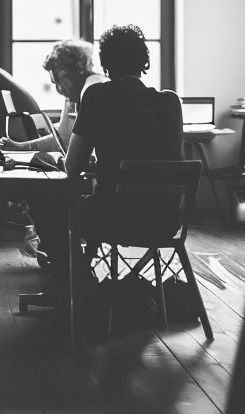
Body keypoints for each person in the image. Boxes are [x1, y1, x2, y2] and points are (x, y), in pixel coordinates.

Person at [28, 28, 182, 293]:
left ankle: (75, 283)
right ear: (144, 60)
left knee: (42, 197)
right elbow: (171, 162)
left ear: (105, 63)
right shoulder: (171, 102)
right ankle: (82, 283)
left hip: (116, 217)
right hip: (166, 219)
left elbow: (72, 166)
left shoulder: (98, 96)